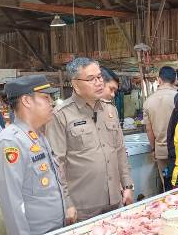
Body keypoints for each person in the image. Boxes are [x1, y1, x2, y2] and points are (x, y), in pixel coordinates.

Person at [0, 75, 77, 235]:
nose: (51, 102)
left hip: (55, 234)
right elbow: (12, 203)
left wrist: (67, 205)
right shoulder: (10, 142)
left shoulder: (38, 136)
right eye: (45, 97)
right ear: (27, 101)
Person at [46, 57, 134, 221]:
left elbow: (120, 151)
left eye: (99, 77)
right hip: (83, 208)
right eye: (91, 79)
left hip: (115, 200)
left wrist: (128, 185)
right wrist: (67, 203)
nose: (99, 82)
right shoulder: (61, 115)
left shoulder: (110, 110)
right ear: (75, 84)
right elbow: (57, 163)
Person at [143, 66, 177, 188]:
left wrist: (153, 149)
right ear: (175, 80)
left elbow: (149, 129)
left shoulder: (148, 101)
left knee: (166, 184)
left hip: (161, 150)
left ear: (159, 80)